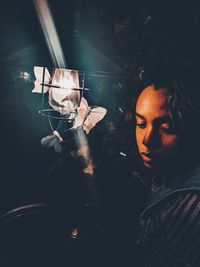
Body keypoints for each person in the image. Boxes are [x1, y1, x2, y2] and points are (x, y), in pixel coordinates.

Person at [133, 79, 200, 266]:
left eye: (166, 128)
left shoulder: (190, 211)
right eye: (140, 124)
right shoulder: (165, 173)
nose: (147, 140)